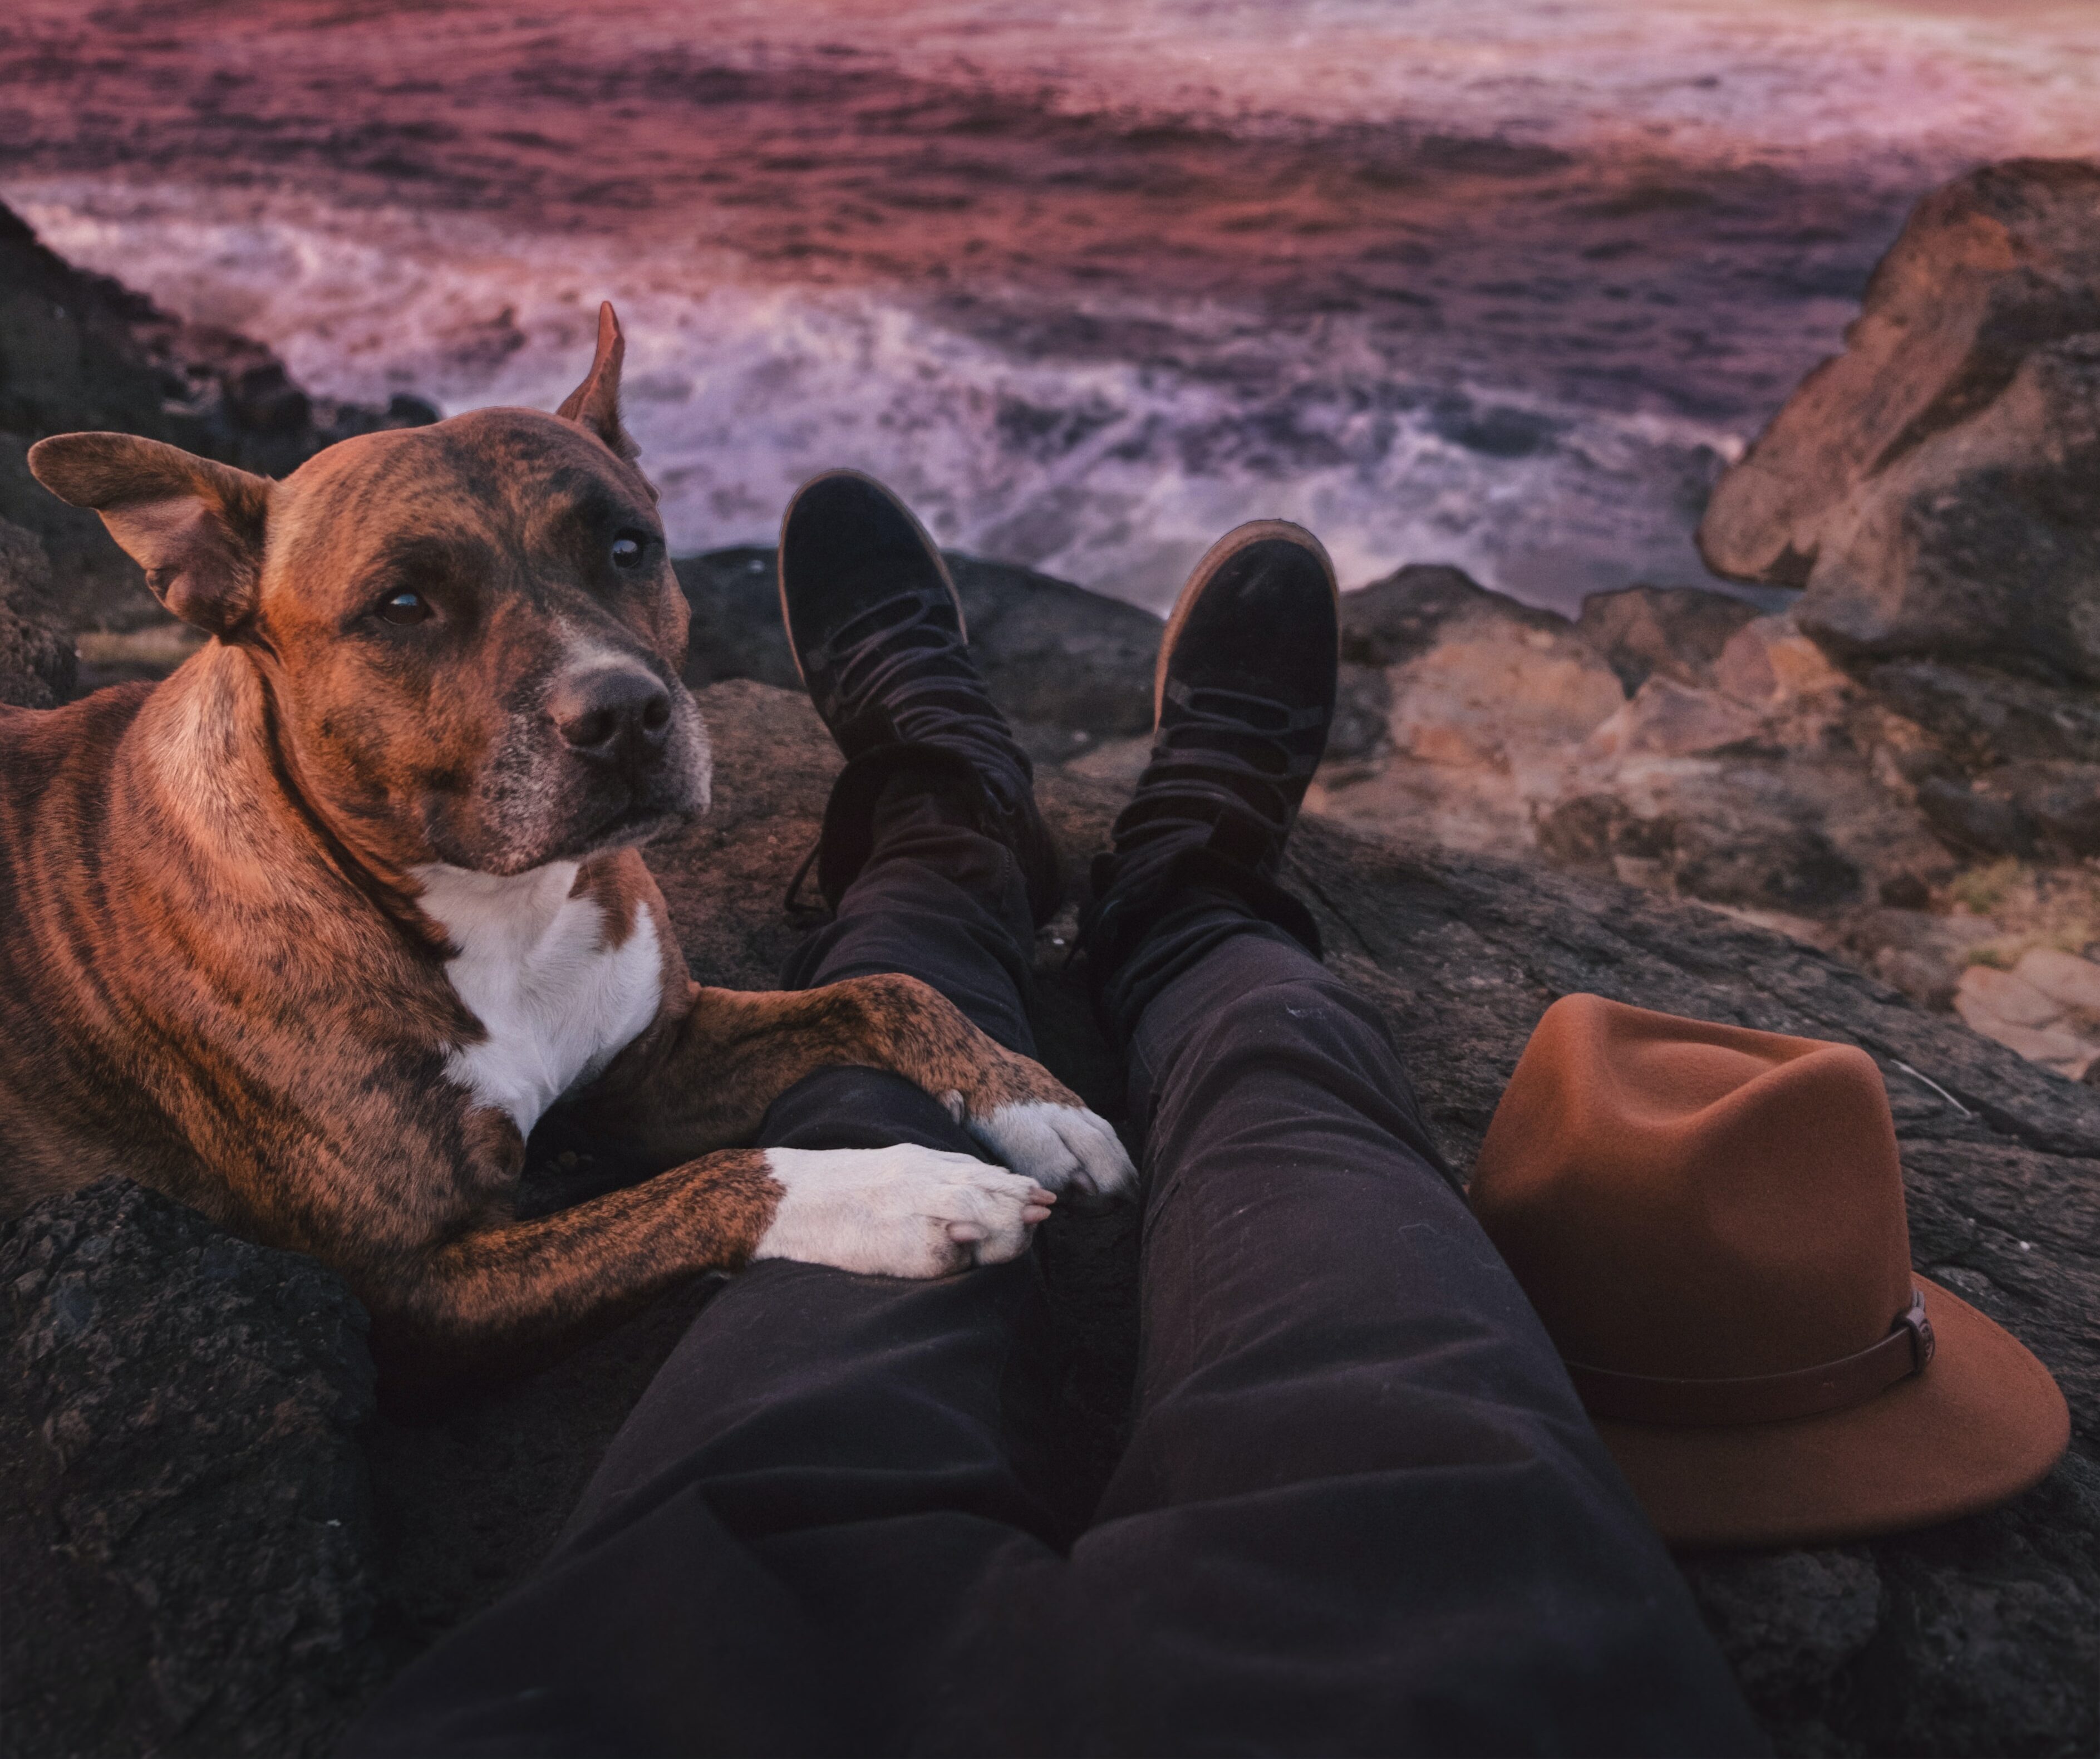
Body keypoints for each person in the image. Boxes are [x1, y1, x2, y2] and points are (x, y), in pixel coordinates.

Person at [347, 477, 1763, 1757]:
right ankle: (1194, 898)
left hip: (688, 1669)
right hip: (1453, 1667)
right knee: (1297, 1106)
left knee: (860, 1129)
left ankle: (941, 827)